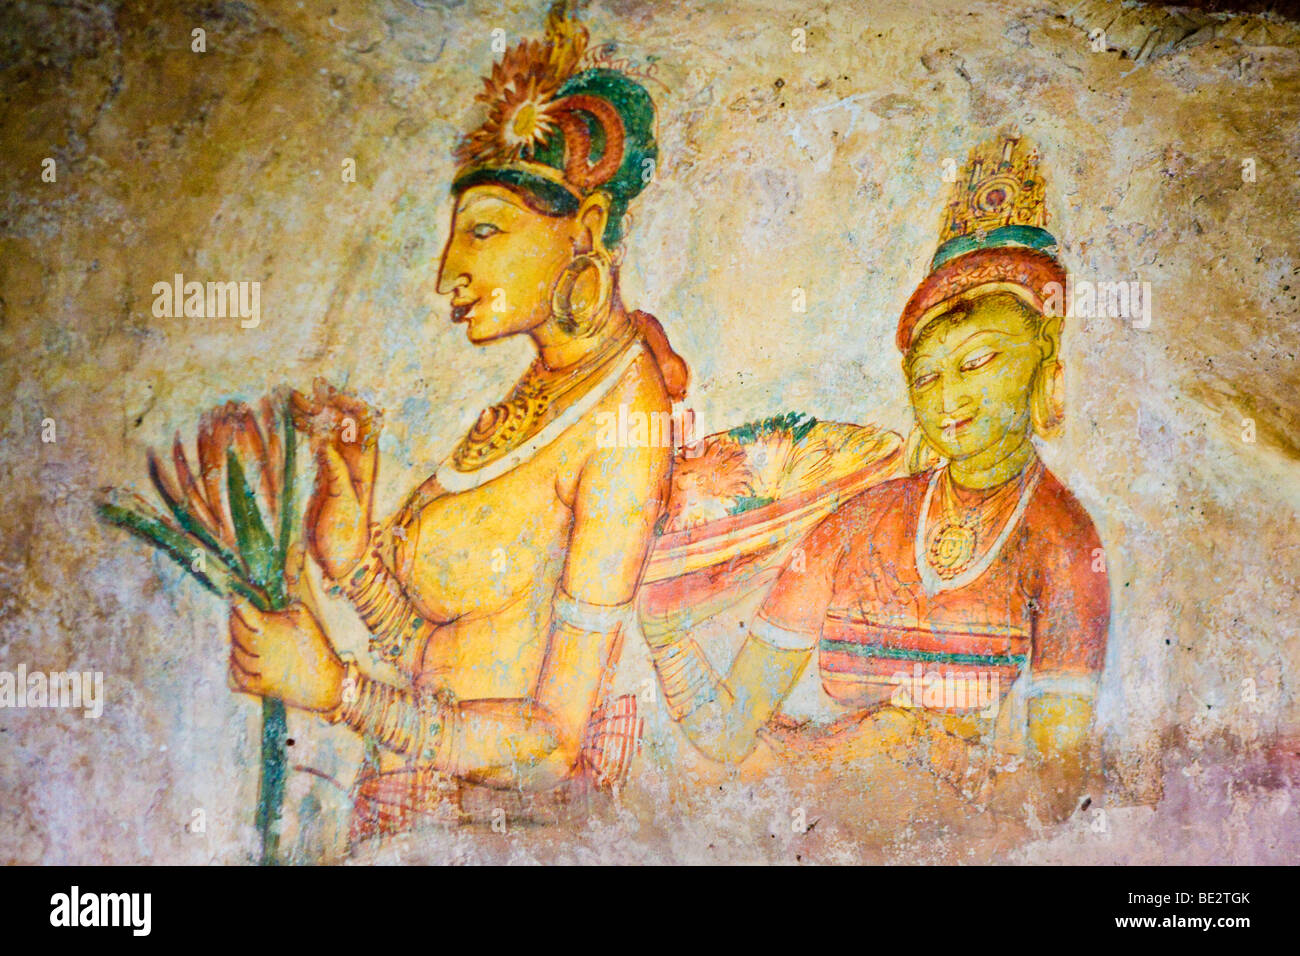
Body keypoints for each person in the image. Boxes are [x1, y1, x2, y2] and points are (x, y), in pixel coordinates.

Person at [225, 4, 689, 838]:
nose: (448, 274)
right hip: (419, 810)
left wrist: (337, 693)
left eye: (484, 232)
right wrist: (351, 553)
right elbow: (448, 656)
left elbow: (548, 747)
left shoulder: (626, 420)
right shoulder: (537, 393)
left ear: (582, 230)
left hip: (494, 837)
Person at [645, 134, 1109, 821]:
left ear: (1047, 370)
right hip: (817, 822)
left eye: (979, 361)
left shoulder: (1065, 543)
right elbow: (731, 730)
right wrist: (665, 633)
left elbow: (1057, 790)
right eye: (928, 375)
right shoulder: (857, 521)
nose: (949, 397)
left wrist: (922, 758)